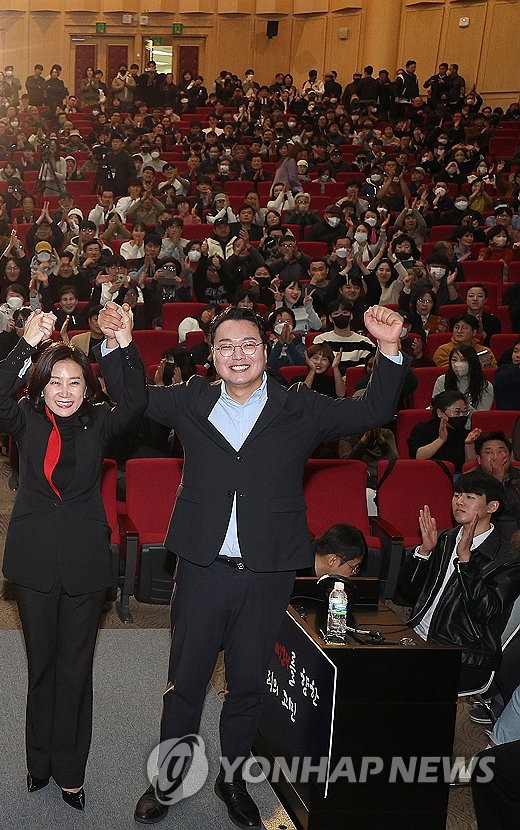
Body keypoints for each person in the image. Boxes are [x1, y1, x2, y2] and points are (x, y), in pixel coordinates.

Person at [131, 304, 409, 827]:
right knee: (185, 681)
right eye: (227, 346)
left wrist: (388, 350)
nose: (238, 355)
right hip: (202, 568)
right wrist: (123, 344)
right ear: (211, 356)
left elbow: (371, 411)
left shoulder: (298, 407)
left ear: (266, 351)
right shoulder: (191, 400)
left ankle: (233, 778)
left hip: (267, 571)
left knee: (249, 683)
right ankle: (168, 777)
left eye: (249, 345)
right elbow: (133, 399)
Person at [0, 303, 146, 810]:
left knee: (77, 669)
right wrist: (27, 343)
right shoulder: (26, 419)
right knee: (42, 667)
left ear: (87, 387)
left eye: (74, 382)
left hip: (83, 562)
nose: (64, 390)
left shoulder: (99, 422)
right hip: (33, 560)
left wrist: (120, 342)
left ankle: (72, 772)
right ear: (43, 385)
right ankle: (39, 763)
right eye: (55, 381)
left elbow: (137, 400)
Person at [409, 470, 520, 695]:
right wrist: (424, 552)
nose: (459, 501)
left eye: (470, 497)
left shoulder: (509, 559)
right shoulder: (445, 538)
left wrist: (466, 561)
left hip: (463, 653)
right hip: (418, 633)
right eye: (457, 494)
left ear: (492, 507)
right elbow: (406, 590)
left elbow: (487, 612)